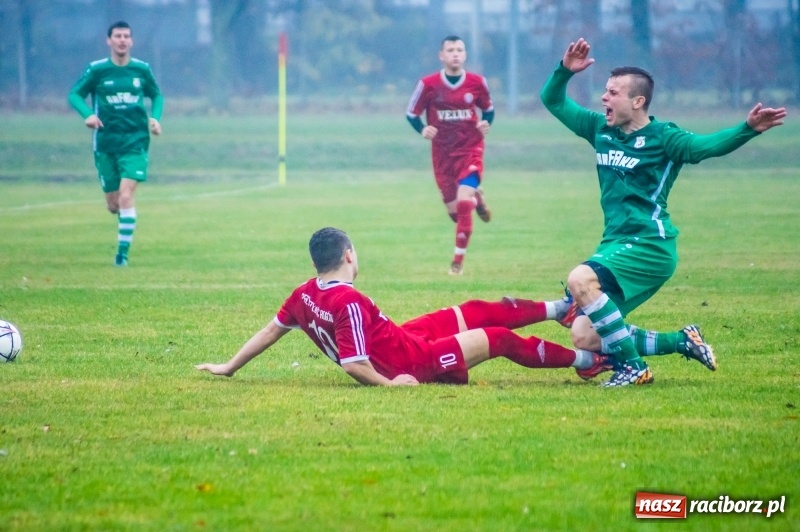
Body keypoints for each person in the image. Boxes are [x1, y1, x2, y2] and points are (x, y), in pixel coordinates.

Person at [540, 38, 787, 387]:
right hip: (616, 244)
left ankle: (633, 367)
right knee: (585, 335)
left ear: (637, 101)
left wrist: (745, 130)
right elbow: (552, 100)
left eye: (613, 93)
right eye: (605, 91)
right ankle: (681, 340)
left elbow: (703, 147)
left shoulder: (664, 137)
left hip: (649, 246)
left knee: (580, 279)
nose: (603, 98)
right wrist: (564, 71)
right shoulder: (600, 129)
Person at [195, 227, 611, 386]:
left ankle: (563, 309)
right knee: (498, 339)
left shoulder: (305, 292)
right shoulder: (350, 301)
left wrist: (229, 366)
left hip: (401, 337)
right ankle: (585, 360)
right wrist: (390, 385)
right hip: (413, 361)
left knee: (469, 311)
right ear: (350, 255)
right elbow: (355, 364)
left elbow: (271, 330)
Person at [68, 20, 164, 267]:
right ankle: (125, 215)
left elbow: (156, 94)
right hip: (106, 143)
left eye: (126, 36)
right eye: (117, 36)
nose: (122, 40)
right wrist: (87, 114)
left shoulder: (141, 70)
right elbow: (75, 94)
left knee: (125, 195)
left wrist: (155, 118)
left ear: (131, 41)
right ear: (108, 40)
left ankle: (122, 256)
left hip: (135, 141)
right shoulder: (97, 70)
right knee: (113, 204)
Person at [406, 35, 495, 276]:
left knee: (464, 205)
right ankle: (478, 198)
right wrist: (423, 128)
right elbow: (411, 114)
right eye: (450, 50)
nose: (455, 54)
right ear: (441, 55)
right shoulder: (428, 84)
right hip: (442, 155)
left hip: (470, 150)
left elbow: (488, 109)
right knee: (457, 214)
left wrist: (486, 123)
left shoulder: (477, 83)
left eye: (459, 50)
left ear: (464, 55)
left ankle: (457, 264)